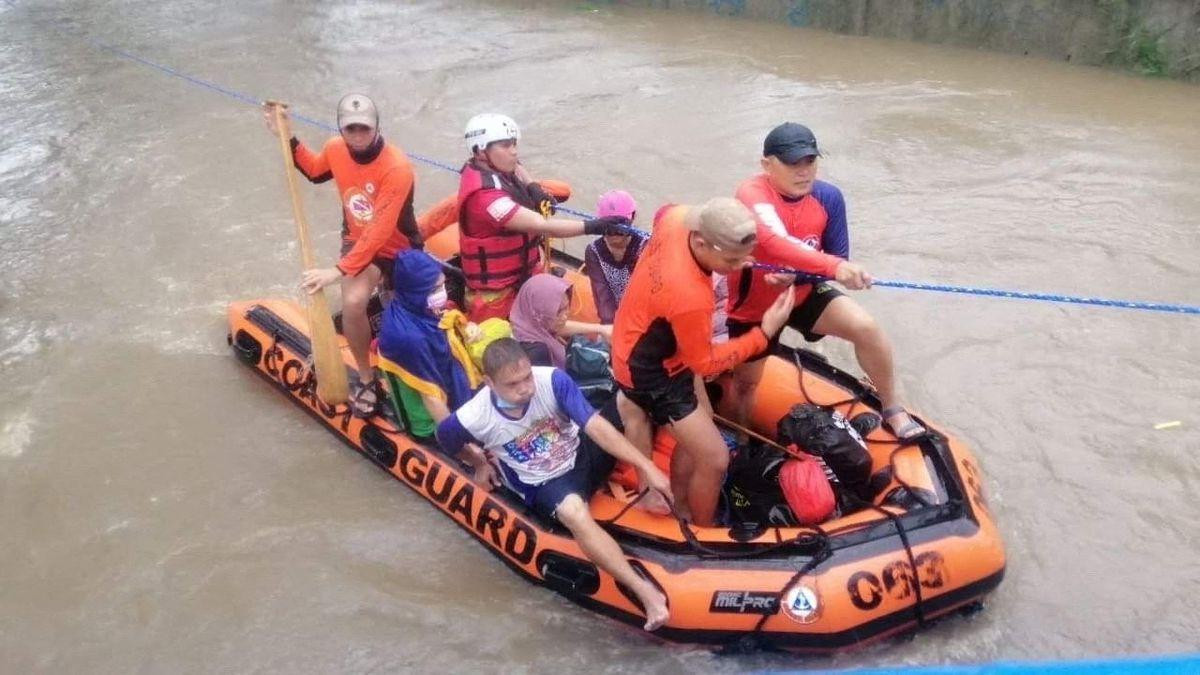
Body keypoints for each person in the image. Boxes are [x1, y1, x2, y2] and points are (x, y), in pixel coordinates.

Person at [436, 338, 672, 631]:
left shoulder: (551, 380)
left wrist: (646, 467)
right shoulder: (473, 416)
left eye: (526, 378)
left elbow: (593, 425)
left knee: (628, 401)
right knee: (574, 513)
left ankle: (646, 493)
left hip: (580, 452)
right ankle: (644, 591)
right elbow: (446, 439)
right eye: (513, 384)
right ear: (489, 383)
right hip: (545, 480)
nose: (525, 389)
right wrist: (480, 463)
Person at [727, 122, 924, 439]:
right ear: (767, 164)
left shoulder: (829, 197)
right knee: (746, 383)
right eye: (792, 163)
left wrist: (801, 274)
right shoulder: (751, 193)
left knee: (867, 328)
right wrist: (835, 267)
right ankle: (744, 438)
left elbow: (837, 253)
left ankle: (893, 409)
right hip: (754, 307)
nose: (804, 171)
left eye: (810, 161)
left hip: (803, 293)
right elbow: (776, 240)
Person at [612, 198, 796, 527]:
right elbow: (706, 363)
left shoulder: (676, 218)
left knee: (703, 423)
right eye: (731, 260)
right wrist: (764, 333)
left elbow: (670, 210)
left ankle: (681, 502)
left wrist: (757, 262)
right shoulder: (690, 296)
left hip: (641, 332)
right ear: (700, 241)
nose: (740, 266)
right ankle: (702, 527)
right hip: (648, 370)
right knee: (715, 457)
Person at [263, 94, 422, 417]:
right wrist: (286, 137)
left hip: (398, 246)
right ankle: (366, 377)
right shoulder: (336, 148)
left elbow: (381, 228)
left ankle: (420, 372)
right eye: (351, 129)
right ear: (341, 129)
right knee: (352, 303)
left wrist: (337, 270)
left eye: (364, 128)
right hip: (356, 240)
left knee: (415, 321)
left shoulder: (397, 167)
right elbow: (314, 169)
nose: (358, 135)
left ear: (376, 128)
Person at [457, 114, 630, 321]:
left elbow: (517, 166)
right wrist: (594, 226)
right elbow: (542, 225)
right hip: (497, 294)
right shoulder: (485, 199)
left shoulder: (496, 166)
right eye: (505, 145)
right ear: (480, 150)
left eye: (514, 144)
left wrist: (532, 186)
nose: (514, 151)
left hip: (525, 273)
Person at [377, 250, 480, 443]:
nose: (442, 293)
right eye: (433, 290)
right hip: (429, 423)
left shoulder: (419, 308)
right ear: (415, 292)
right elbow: (431, 398)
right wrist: (461, 445)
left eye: (442, 285)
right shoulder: (408, 338)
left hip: (451, 386)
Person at [510, 273, 611, 368]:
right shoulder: (537, 354)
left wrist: (600, 329)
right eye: (558, 312)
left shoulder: (521, 323)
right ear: (539, 314)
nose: (565, 316)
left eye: (566, 307)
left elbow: (559, 327)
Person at [583, 190, 650, 324]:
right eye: (608, 226)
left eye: (618, 226)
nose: (613, 233)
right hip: (616, 318)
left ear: (633, 218)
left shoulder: (646, 247)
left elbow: (648, 293)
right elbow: (602, 296)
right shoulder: (594, 252)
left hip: (644, 316)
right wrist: (612, 326)